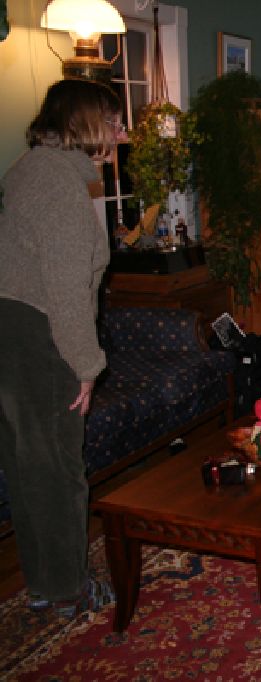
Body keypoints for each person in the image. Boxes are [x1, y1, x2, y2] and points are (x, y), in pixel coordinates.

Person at [0, 79, 124, 616]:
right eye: (114, 123)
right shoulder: (58, 185)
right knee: (56, 467)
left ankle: (46, 582)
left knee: (29, 465)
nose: (121, 134)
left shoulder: (33, 168)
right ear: (88, 123)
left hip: (14, 330)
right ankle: (69, 587)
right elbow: (67, 291)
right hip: (39, 333)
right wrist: (86, 365)